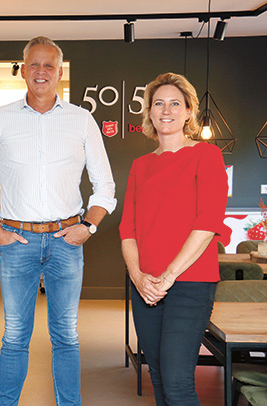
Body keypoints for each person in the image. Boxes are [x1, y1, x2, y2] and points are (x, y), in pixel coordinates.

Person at [0, 36, 116, 406]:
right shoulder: (1, 119)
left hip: (67, 240)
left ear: (60, 73)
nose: (41, 71)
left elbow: (105, 185)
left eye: (49, 65)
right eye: (34, 64)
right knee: (15, 335)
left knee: (66, 335)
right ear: (23, 70)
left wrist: (88, 226)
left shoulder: (81, 120)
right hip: (17, 240)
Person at [119, 72, 231, 406]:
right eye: (158, 103)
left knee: (178, 382)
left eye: (175, 103)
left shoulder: (207, 155)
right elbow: (127, 230)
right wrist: (138, 276)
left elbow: (208, 223)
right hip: (146, 286)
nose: (166, 110)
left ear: (188, 112)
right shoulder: (140, 166)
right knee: (157, 375)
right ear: (149, 113)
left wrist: (169, 276)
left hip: (190, 282)